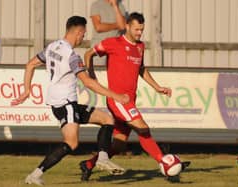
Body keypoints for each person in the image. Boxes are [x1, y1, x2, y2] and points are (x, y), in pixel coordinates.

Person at [11, 16, 129, 186]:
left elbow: (30, 65)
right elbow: (88, 82)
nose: (83, 38)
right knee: (71, 143)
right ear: (78, 32)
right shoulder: (72, 56)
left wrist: (26, 90)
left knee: (107, 119)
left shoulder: (52, 47)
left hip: (60, 103)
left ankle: (102, 159)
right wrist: (117, 96)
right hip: (65, 104)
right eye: (84, 34)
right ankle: (35, 175)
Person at [80, 12, 189, 181]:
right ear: (128, 26)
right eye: (137, 29)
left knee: (119, 144)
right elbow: (88, 54)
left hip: (130, 101)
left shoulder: (140, 46)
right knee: (143, 128)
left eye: (142, 30)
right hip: (118, 100)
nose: (139, 33)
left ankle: (88, 164)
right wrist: (91, 74)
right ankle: (165, 162)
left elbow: (141, 68)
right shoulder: (113, 43)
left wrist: (157, 87)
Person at [90, 0, 126, 65]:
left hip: (116, 47)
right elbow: (98, 27)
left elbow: (123, 26)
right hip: (99, 46)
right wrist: (117, 25)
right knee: (98, 72)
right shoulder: (96, 5)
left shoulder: (120, 6)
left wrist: (115, 6)